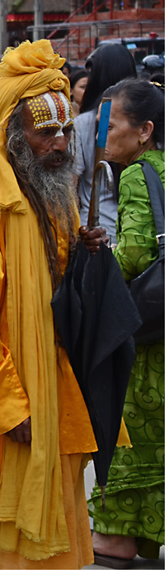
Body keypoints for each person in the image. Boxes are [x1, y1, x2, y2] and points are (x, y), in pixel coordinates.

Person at [0, 39, 108, 569]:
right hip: (14, 392)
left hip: (56, 376)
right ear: (14, 136)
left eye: (63, 131)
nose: (59, 144)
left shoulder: (56, 197)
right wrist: (7, 405)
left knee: (59, 493)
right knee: (4, 529)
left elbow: (57, 280)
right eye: (44, 132)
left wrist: (83, 249)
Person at [88, 77, 165, 567]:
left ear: (144, 131)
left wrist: (93, 268)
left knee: (125, 437)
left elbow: (136, 250)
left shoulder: (139, 174)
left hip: (144, 342)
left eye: (111, 125)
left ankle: (116, 543)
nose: (103, 135)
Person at [73, 43, 137, 245]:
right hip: (135, 231)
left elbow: (71, 187)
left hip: (98, 233)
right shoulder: (143, 125)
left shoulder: (83, 123)